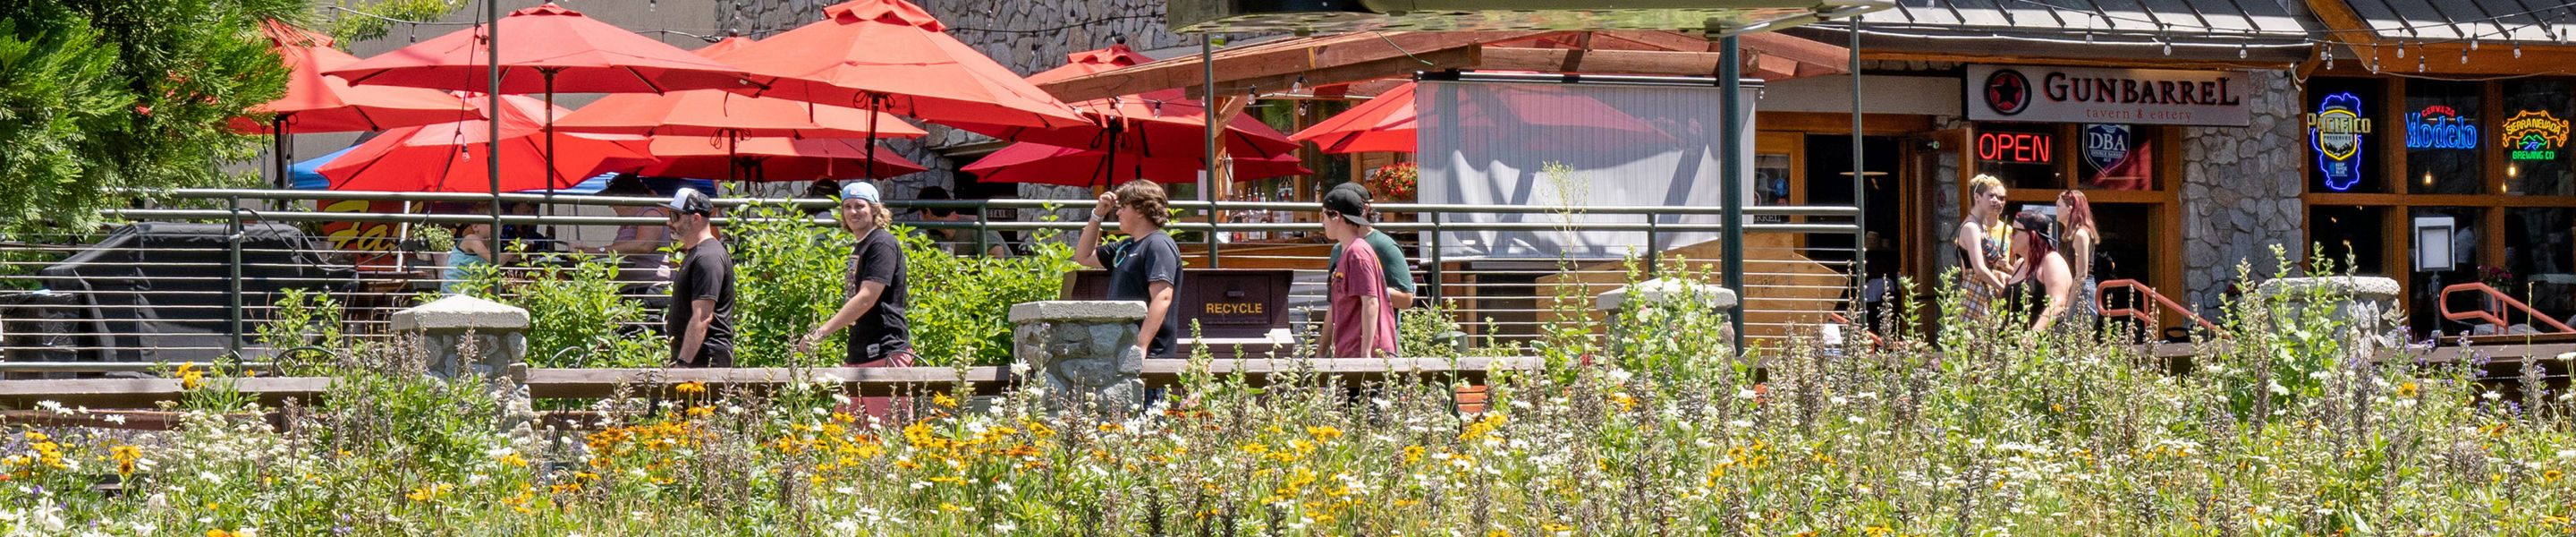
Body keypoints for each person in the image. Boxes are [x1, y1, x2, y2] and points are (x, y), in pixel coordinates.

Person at [797, 181, 913, 367]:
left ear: (874, 209)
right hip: (860, 353)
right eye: (847, 206)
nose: (852, 212)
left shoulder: (882, 243)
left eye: (859, 206)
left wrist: (822, 332)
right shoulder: (863, 245)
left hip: (885, 352)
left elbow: (867, 298)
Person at [1074, 180, 1182, 362]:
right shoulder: (1126, 246)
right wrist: (1097, 215)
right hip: (1123, 350)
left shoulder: (1158, 244)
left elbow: (1162, 298)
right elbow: (1083, 256)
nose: (1117, 213)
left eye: (1123, 207)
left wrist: (1141, 346)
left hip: (1149, 356)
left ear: (1140, 210)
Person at [663, 188, 736, 367]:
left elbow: (702, 316)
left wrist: (683, 363)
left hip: (705, 361)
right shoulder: (697, 254)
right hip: (695, 360)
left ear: (696, 218)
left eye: (674, 216)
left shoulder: (708, 257)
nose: (669, 222)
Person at [1321, 186, 1398, 358]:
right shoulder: (1349, 251)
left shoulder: (1357, 253)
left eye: (1324, 216)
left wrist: (1365, 355)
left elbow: (1371, 302)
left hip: (1364, 357)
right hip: (1351, 352)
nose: (1322, 222)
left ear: (1336, 216)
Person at [1324, 183, 1419, 310]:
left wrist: (1367, 288)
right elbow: (1334, 304)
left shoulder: (1384, 246)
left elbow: (1406, 299)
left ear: (1365, 209)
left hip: (1377, 322)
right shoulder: (1337, 249)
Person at [583, 175, 672, 285]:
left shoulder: (651, 213)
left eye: (612, 199)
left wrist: (597, 251)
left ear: (627, 196)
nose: (610, 206)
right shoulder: (627, 222)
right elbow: (622, 250)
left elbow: (643, 246)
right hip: (632, 286)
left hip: (650, 286)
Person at [1953, 175, 2013, 320]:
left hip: (1985, 291)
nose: (1996, 201)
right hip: (1973, 291)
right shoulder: (1971, 227)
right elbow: (1979, 269)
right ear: (1977, 197)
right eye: (1991, 196)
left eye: (2000, 197)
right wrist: (2003, 288)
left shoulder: (1980, 227)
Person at [2006, 212, 2076, 333]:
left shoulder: (2052, 261)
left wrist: (2033, 334)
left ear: (2031, 235)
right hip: (2011, 340)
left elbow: (2057, 303)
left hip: (2039, 342)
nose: (2010, 236)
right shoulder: (2019, 264)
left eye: (2015, 231)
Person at [913, 186, 1009, 257]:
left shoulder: (975, 226)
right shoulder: (934, 235)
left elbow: (997, 256)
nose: (922, 220)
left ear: (928, 212)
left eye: (921, 214)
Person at [2055, 191, 2102, 323]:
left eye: (2058, 206)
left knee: (2072, 333)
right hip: (2076, 292)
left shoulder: (2080, 234)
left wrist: (2068, 307)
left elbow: (2081, 275)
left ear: (2069, 209)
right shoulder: (2071, 235)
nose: (2056, 210)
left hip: (2082, 295)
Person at [443, 219, 513, 294]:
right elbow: (497, 261)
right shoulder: (472, 239)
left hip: (472, 291)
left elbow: (493, 269)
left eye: (500, 224)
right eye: (492, 223)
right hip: (454, 293)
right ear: (475, 227)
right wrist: (516, 249)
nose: (500, 226)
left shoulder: (490, 244)